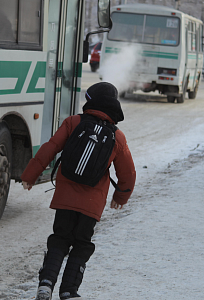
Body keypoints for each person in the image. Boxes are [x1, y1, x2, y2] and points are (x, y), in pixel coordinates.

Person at [21, 82, 136, 300]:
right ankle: (69, 291)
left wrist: (30, 175)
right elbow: (128, 172)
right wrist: (121, 196)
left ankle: (46, 284)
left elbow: (51, 147)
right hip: (92, 202)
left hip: (65, 198)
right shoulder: (117, 137)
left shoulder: (73, 122)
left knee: (60, 239)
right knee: (81, 244)